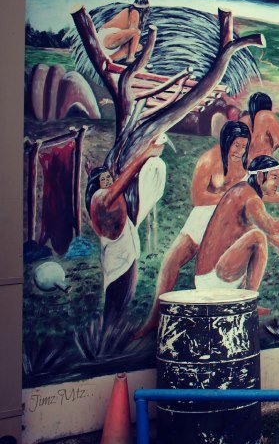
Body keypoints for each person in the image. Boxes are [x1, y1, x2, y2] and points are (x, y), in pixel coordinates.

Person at [135, 121, 258, 338]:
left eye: (244, 146)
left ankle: (245, 305)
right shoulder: (209, 160)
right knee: (171, 260)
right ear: (226, 141)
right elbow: (198, 197)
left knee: (244, 257)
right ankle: (155, 317)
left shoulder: (247, 163)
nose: (239, 151)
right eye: (236, 145)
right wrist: (228, 197)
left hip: (230, 220)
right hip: (204, 216)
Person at [194, 155, 279, 304]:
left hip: (208, 278)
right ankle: (249, 300)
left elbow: (257, 222)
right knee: (257, 237)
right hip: (213, 279)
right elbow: (274, 228)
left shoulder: (242, 191)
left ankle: (244, 298)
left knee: (253, 232)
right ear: (260, 177)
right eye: (274, 177)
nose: (277, 183)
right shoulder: (251, 199)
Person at [86, 136, 165, 328]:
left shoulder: (105, 195)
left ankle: (111, 335)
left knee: (121, 301)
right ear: (95, 185)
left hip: (123, 255)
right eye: (103, 180)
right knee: (118, 302)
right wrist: (147, 153)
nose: (108, 181)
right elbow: (124, 179)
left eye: (108, 178)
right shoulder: (103, 199)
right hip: (119, 260)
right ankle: (109, 339)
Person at [97, 0, 149, 64]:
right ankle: (130, 57)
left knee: (138, 47)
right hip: (108, 37)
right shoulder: (135, 12)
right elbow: (133, 31)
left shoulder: (130, 10)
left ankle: (109, 58)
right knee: (136, 32)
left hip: (109, 40)